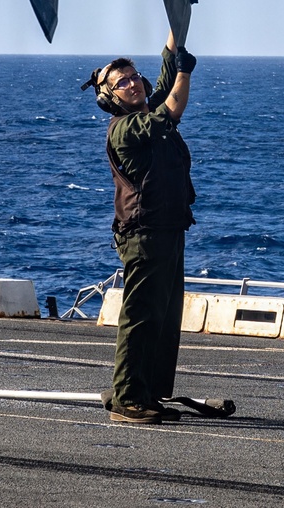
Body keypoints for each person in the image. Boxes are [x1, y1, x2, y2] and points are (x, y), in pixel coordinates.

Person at [84, 30, 197, 425]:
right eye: (122, 82)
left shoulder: (145, 111)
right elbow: (171, 109)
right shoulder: (125, 128)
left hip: (169, 230)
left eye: (134, 77)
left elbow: (165, 84)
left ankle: (145, 391)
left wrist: (176, 28)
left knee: (163, 319)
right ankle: (128, 399)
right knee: (141, 318)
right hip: (145, 235)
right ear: (110, 97)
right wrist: (185, 73)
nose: (132, 84)